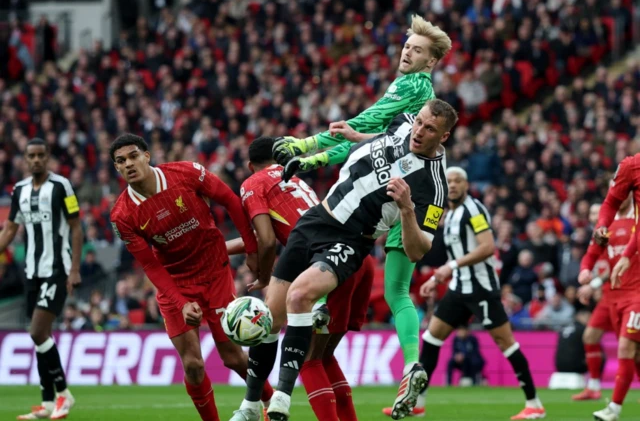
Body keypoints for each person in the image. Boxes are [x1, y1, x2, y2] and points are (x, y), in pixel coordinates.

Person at [272, 13, 453, 414]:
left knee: (371, 282)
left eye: (418, 49)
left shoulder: (414, 87)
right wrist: (341, 145)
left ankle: (315, 311)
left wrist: (306, 147)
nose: (408, 51)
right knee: (397, 292)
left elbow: (367, 124)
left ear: (431, 61)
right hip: (396, 193)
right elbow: (375, 137)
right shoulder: (421, 101)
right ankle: (410, 367)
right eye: (407, 45)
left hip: (391, 199)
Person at [231, 99, 456, 421]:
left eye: (429, 128)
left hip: (349, 239)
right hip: (316, 219)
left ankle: (281, 398)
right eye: (419, 122)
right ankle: (251, 405)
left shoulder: (433, 188)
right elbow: (383, 140)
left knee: (300, 296)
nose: (418, 130)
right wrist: (347, 140)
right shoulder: (404, 122)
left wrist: (406, 209)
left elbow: (419, 249)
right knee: (271, 317)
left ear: (443, 137)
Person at [108, 134, 273, 421]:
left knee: (233, 358)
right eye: (121, 161)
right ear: (117, 169)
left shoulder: (186, 172)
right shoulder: (122, 215)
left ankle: (274, 403)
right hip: (175, 282)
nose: (129, 164)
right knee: (193, 365)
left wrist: (251, 248)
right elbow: (150, 265)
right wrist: (181, 301)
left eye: (133, 156)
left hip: (215, 273)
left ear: (147, 156)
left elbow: (231, 201)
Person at [226, 136, 374, 421]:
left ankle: (253, 407)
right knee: (323, 356)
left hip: (317, 259)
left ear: (249, 165)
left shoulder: (252, 184)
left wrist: (264, 276)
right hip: (354, 258)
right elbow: (271, 233)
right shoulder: (294, 178)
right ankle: (252, 407)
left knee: (289, 342)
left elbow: (267, 241)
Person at [418, 167, 545, 420]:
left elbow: (487, 248)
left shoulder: (474, 210)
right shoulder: (448, 213)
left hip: (481, 290)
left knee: (506, 343)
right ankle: (417, 403)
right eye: (449, 181)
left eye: (457, 181)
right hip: (457, 289)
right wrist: (436, 277)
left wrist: (449, 268)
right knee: (431, 339)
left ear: (466, 185)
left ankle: (534, 404)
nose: (452, 185)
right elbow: (452, 255)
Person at [0, 138, 83, 420]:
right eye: (30, 156)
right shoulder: (19, 190)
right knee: (40, 338)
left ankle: (64, 394)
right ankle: (47, 403)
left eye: (40, 155)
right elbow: (10, 230)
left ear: (47, 158)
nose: (35, 160)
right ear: (24, 159)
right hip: (31, 273)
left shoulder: (62, 186)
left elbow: (76, 228)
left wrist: (74, 270)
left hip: (57, 269)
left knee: (37, 331)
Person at [592, 155, 640, 421]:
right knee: (630, 349)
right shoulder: (631, 166)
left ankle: (614, 409)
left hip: (634, 293)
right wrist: (601, 225)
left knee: (628, 349)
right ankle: (612, 405)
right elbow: (609, 202)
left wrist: (626, 255)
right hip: (622, 293)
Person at [573, 196, 633, 401]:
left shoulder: (632, 224)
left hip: (630, 294)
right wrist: (586, 273)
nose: (593, 217)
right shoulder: (602, 232)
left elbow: (616, 266)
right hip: (608, 296)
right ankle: (594, 387)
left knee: (629, 346)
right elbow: (592, 258)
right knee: (590, 336)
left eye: (595, 212)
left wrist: (594, 284)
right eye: (590, 213)